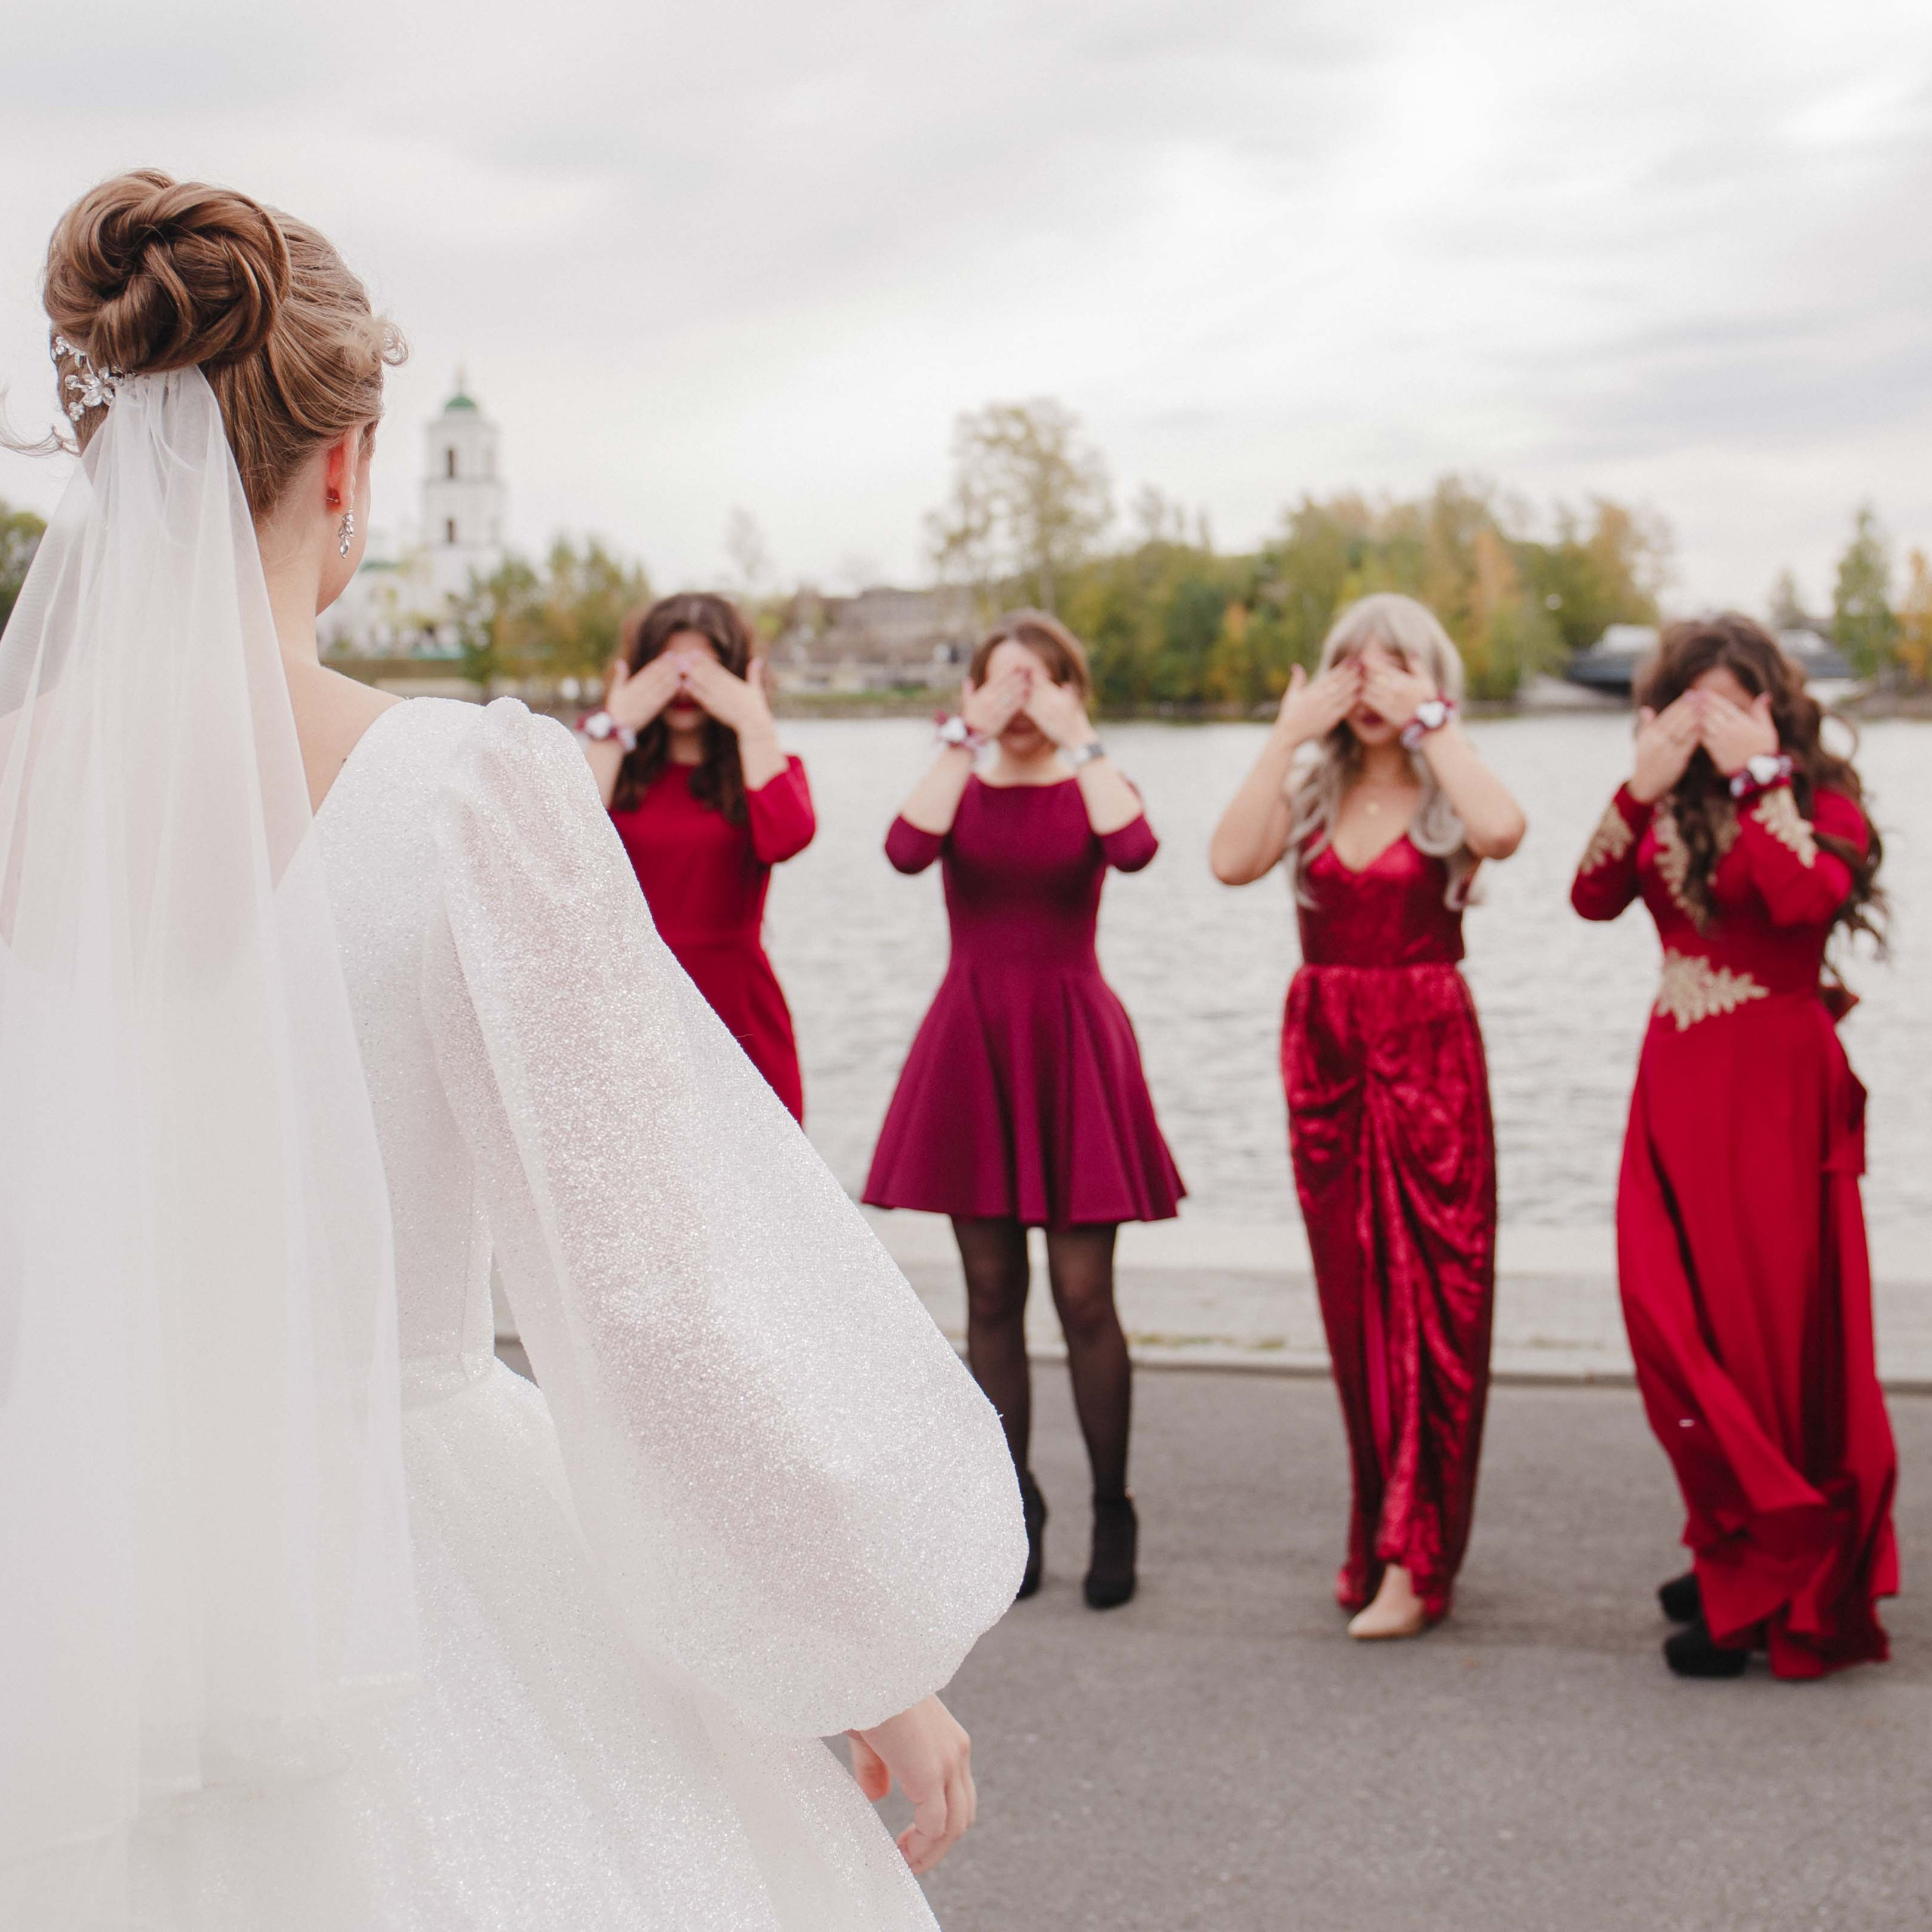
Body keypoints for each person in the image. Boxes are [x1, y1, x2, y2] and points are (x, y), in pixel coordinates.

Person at [0, 169, 1022, 1932]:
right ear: (350, 467)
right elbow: (644, 1291)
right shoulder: (461, 792)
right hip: (409, 1548)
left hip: (80, 1555)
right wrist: (845, 1645)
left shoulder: (26, 797)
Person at [1570, 614, 1896, 1681]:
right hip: (1675, 1090)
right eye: (1690, 703)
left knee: (1764, 1332)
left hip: (1777, 1099)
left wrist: (1762, 783)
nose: (1709, 725)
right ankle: (1739, 1535)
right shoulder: (1663, 801)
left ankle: (1777, 1571)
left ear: (1772, 704)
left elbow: (1806, 908)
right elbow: (1592, 896)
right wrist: (1638, 786)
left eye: (1731, 702)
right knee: (1673, 1321)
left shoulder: (1819, 798)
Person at [1209, 592, 1525, 1640]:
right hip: (1328, 1064)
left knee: (1436, 1314)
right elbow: (1227, 861)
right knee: (1357, 1318)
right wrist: (1286, 735)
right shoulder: (1307, 792)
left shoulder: (1450, 793)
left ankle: (1418, 1559)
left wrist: (1434, 723)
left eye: (1399, 668)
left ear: (1429, 679)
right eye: (1356, 667)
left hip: (1430, 1061)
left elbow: (1504, 830)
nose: (1374, 688)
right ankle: (1377, 1537)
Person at [863, 612, 1183, 1612]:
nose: (1019, 699)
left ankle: (1113, 1508)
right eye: (1000, 681)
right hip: (975, 1043)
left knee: (1086, 1298)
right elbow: (905, 850)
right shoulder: (959, 781)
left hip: (1072, 1041)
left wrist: (1079, 738)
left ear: (1070, 690)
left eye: (1038, 681)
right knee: (991, 1296)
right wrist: (967, 738)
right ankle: (1017, 1510)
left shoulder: (1093, 781)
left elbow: (1133, 847)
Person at [578, 592, 815, 1121]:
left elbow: (788, 837)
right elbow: (560, 849)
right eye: (667, 668)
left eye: (703, 670)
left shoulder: (768, 769)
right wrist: (614, 726)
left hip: (739, 1014)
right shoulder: (610, 774)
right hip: (630, 1012)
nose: (684, 685)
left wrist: (753, 722)